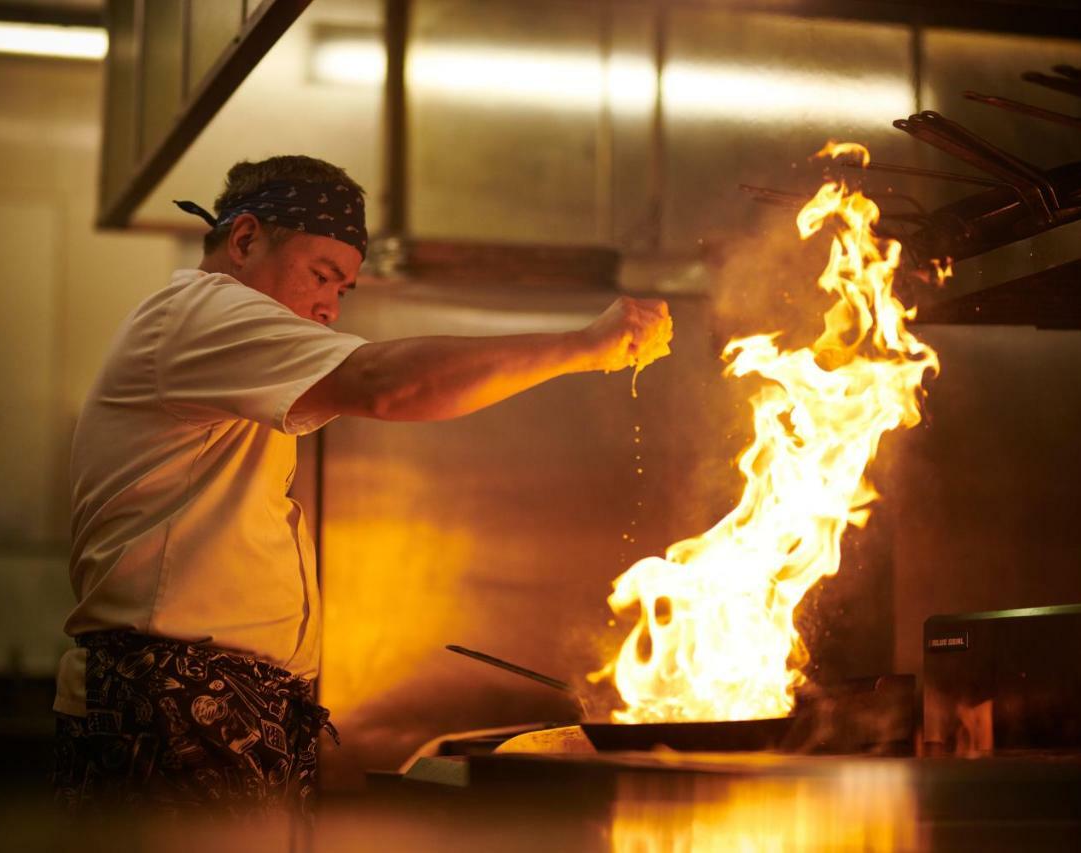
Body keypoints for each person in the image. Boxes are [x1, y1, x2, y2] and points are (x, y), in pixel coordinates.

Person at [51, 155, 672, 816]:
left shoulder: (213, 343)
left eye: (342, 290)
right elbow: (389, 384)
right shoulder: (200, 313)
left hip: (216, 701)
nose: (326, 307)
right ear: (244, 240)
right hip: (173, 705)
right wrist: (585, 345)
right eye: (322, 275)